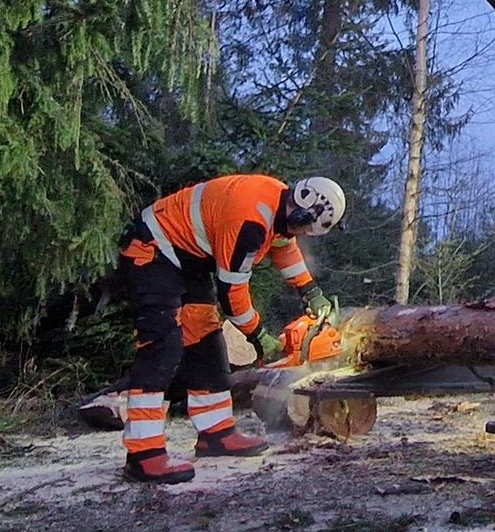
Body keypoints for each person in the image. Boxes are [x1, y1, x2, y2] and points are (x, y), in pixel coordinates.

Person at [116, 173, 346, 484]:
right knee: (162, 346)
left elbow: (284, 247)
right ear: (305, 210)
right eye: (304, 226)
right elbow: (232, 293)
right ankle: (143, 455)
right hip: (152, 251)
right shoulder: (251, 220)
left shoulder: (281, 207)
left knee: (207, 343)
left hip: (189, 261)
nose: (302, 234)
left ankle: (215, 433)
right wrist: (258, 335)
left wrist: (310, 291)